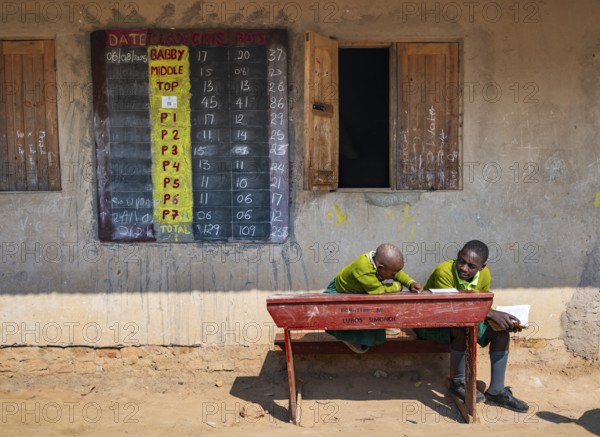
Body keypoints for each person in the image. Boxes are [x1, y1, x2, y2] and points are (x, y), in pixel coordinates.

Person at [414, 240, 529, 413]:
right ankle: (458, 382)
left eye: (471, 266)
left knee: (501, 333)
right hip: (432, 322)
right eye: (461, 261)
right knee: (461, 327)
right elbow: (453, 308)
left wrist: (499, 319)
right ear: (458, 254)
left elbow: (479, 305)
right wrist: (490, 313)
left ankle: (496, 391)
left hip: (467, 319)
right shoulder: (443, 272)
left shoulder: (485, 275)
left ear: (482, 267)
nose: (464, 268)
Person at [324, 243, 422, 353]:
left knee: (379, 303)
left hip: (360, 291)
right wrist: (397, 286)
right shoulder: (364, 269)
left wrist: (410, 283)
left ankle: (381, 328)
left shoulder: (379, 261)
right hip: (341, 293)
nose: (394, 275)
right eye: (392, 273)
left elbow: (396, 273)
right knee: (362, 313)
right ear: (381, 268)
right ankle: (349, 338)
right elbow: (378, 291)